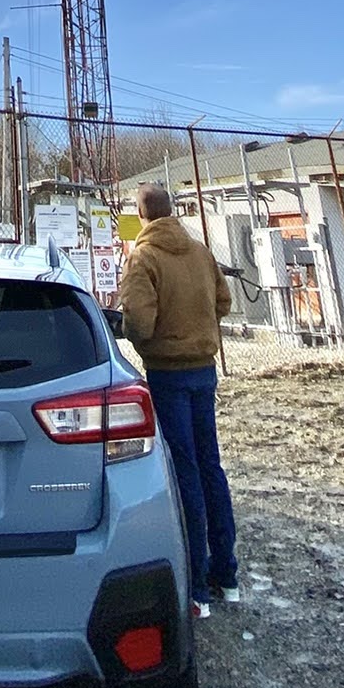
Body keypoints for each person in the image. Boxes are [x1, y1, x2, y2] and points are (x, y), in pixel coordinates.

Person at [117, 182, 239, 615]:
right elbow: (223, 301)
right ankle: (228, 573)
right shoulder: (200, 251)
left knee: (184, 471)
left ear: (141, 214)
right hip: (204, 371)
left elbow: (140, 325)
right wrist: (195, 326)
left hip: (167, 376)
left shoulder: (143, 258)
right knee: (211, 467)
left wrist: (143, 333)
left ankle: (197, 586)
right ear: (172, 210)